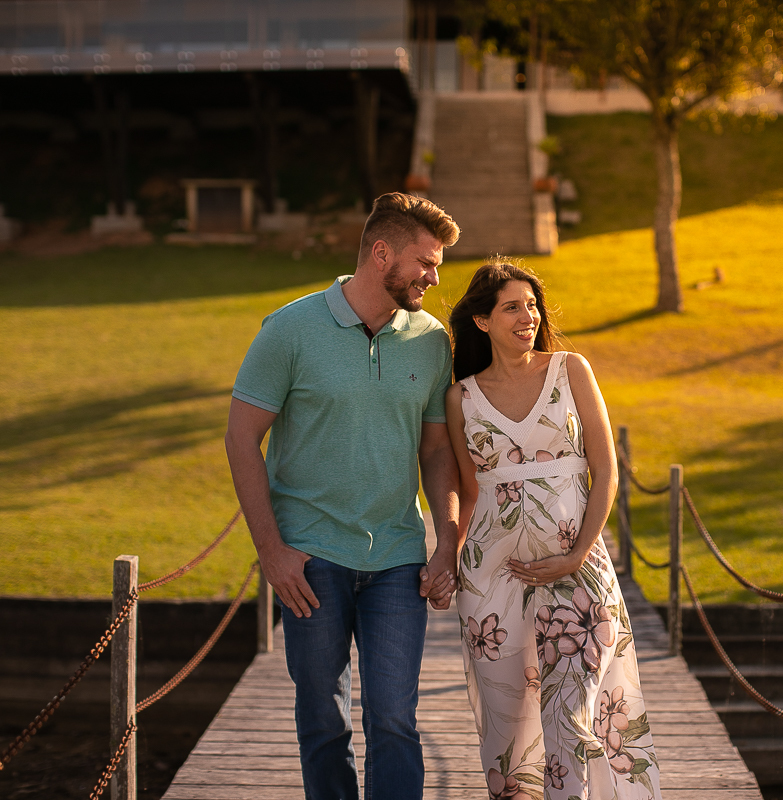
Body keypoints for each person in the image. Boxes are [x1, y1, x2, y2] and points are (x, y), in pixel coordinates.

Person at [224, 192, 463, 800]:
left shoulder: (431, 340)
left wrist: (448, 542)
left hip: (397, 559)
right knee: (324, 721)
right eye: (425, 263)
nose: (434, 278)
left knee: (393, 721)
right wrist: (272, 553)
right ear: (381, 253)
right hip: (311, 560)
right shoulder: (290, 329)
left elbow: (436, 453)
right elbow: (240, 438)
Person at [444, 260, 663, 800]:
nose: (528, 316)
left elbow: (605, 470)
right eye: (512, 306)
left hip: (578, 572)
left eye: (533, 305)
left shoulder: (571, 370)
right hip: (492, 583)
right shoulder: (460, 398)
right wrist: (446, 562)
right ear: (482, 322)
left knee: (570, 721)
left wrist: (577, 554)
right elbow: (470, 492)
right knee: (508, 735)